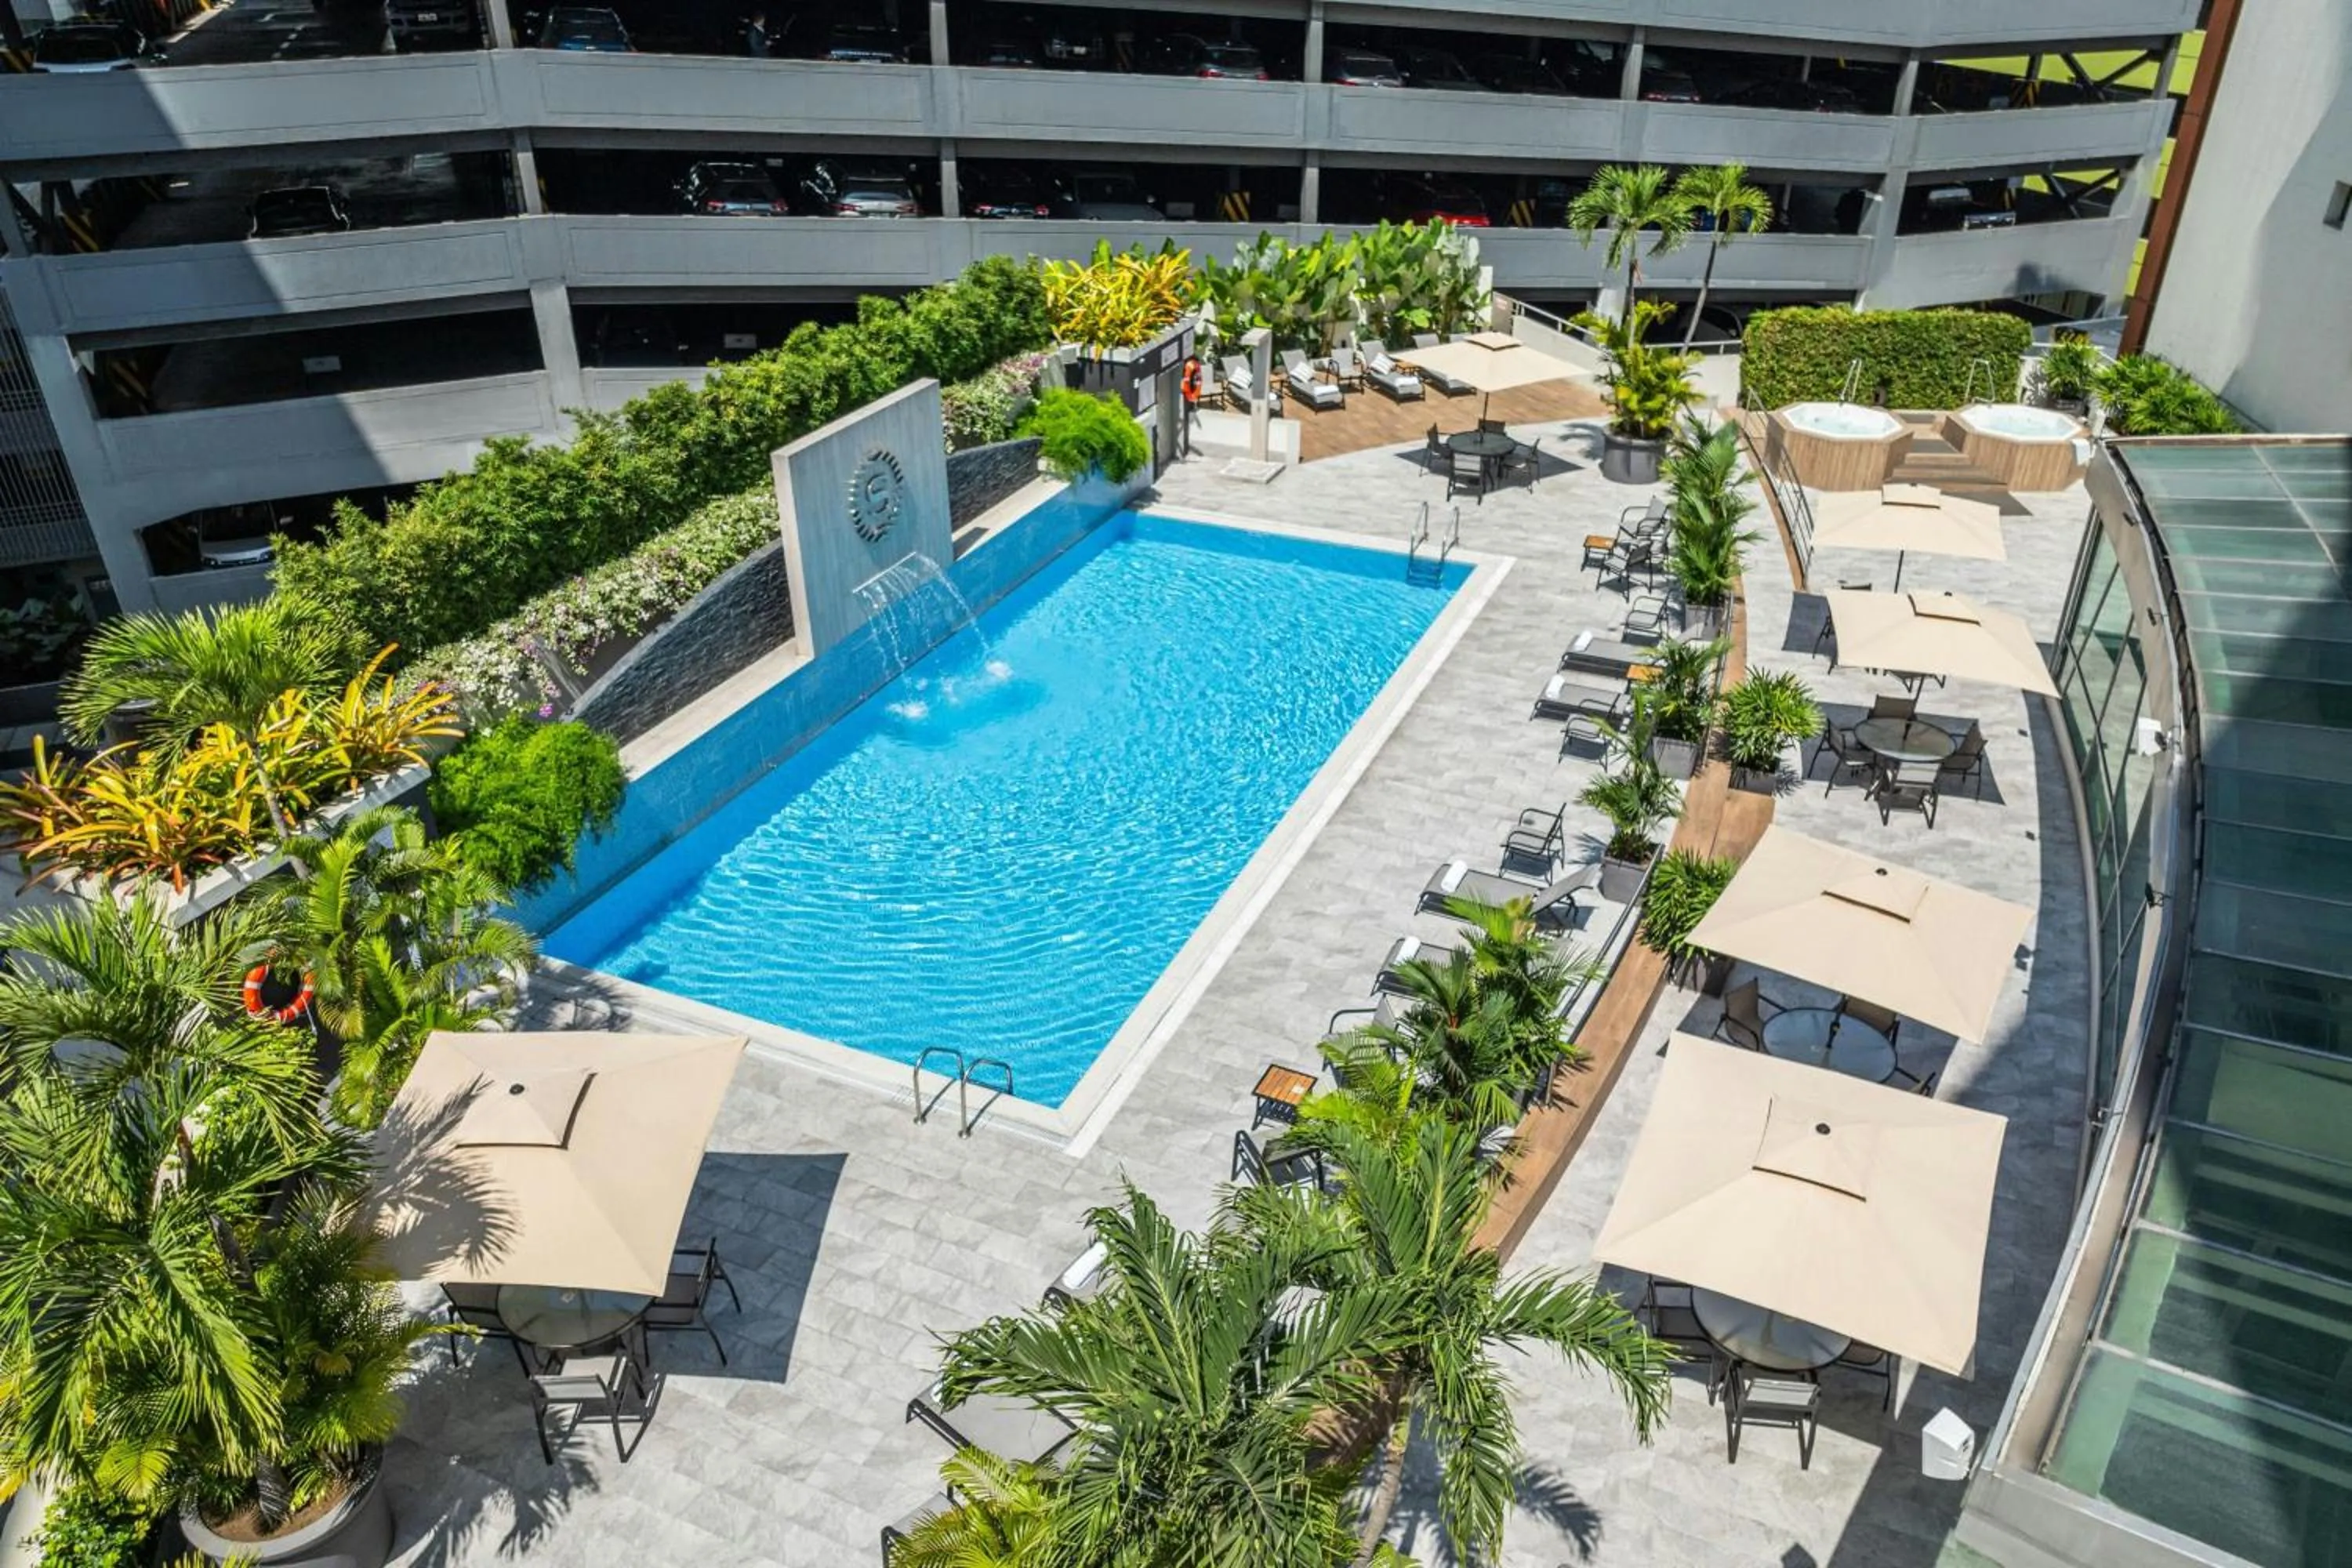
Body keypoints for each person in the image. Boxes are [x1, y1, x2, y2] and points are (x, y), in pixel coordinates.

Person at [1179, 354, 1201, 456]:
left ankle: (1185, 446)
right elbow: (1197, 382)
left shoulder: (1190, 366)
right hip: (1192, 395)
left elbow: (1186, 381)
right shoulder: (1196, 367)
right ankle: (1185, 445)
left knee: (1185, 420)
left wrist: (1188, 394)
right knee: (1186, 420)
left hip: (1188, 395)